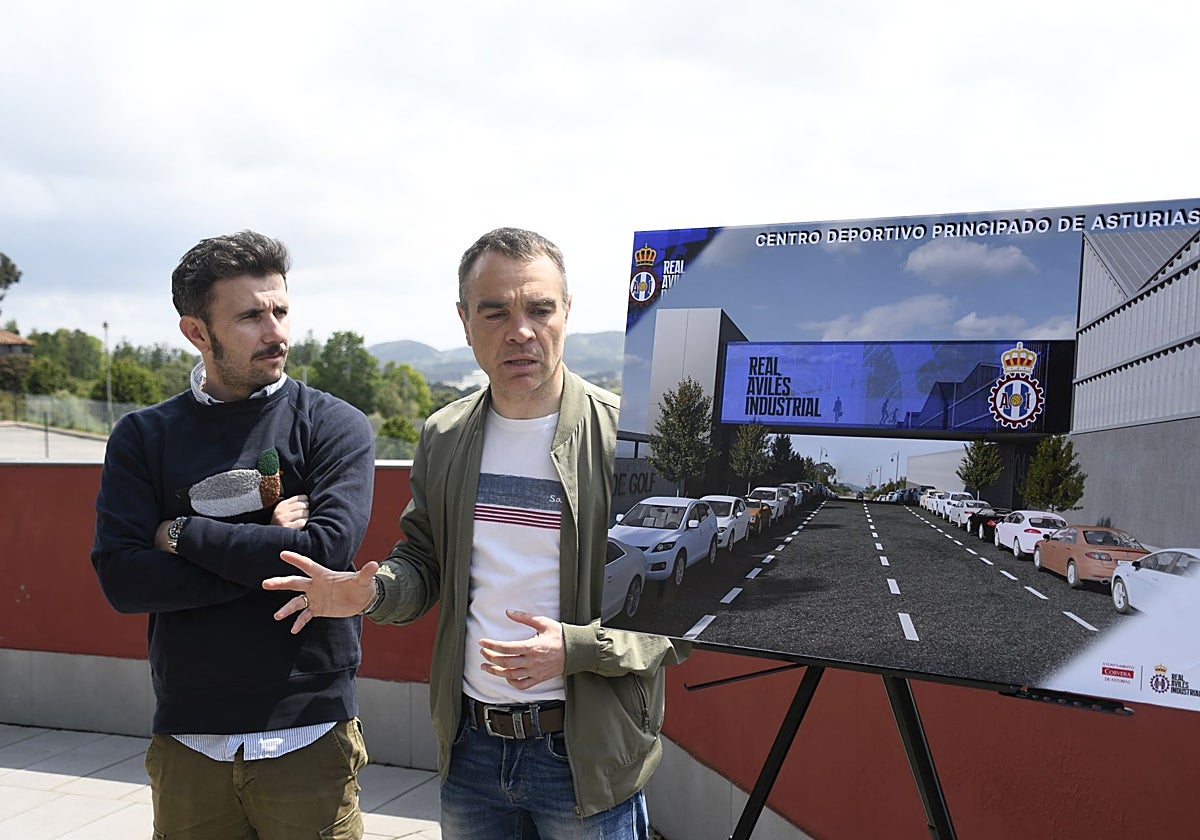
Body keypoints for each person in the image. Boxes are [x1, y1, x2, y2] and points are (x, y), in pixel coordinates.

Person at [264, 227, 689, 838]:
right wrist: (375, 591)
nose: (521, 331)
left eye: (539, 309)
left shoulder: (631, 440)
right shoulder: (445, 435)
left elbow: (680, 619)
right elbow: (424, 560)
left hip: (585, 757)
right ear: (465, 321)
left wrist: (576, 649)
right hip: (472, 752)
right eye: (495, 312)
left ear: (567, 312)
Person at [91, 230, 376, 840]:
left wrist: (181, 533)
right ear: (197, 332)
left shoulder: (334, 424)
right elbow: (123, 579)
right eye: (250, 316)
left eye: (281, 311)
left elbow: (323, 552)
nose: (276, 332)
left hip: (309, 733)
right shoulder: (143, 437)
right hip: (189, 739)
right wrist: (267, 547)